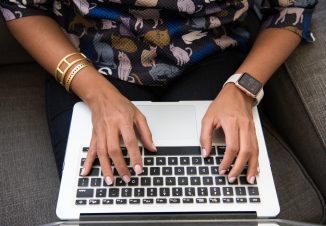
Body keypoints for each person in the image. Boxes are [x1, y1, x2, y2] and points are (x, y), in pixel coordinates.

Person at [0, 0, 316, 199]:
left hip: (213, 55)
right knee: (109, 213)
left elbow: (292, 8)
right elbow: (20, 5)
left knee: (223, 219)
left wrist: (242, 87)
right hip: (91, 60)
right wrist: (95, 93)